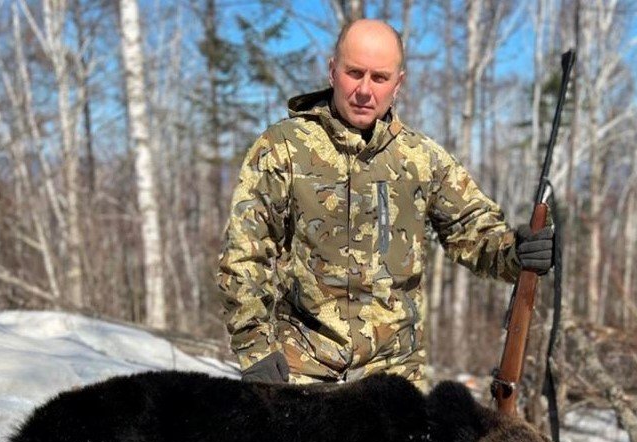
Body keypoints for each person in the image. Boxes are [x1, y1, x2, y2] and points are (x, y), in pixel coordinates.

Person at [217, 18, 553, 388]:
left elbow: (474, 233)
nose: (364, 90)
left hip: (395, 379)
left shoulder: (421, 158)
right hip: (302, 372)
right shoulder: (283, 147)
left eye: (379, 77)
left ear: (398, 83)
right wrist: (256, 351)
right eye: (354, 73)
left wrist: (518, 252)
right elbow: (245, 254)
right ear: (332, 71)